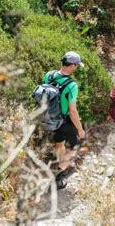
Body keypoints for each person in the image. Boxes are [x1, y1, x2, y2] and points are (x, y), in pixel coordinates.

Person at [43, 51, 86, 188]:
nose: (77, 68)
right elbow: (73, 111)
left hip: (49, 118)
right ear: (72, 65)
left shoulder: (48, 75)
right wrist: (80, 129)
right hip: (64, 121)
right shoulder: (72, 85)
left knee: (60, 143)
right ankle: (57, 176)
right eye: (76, 65)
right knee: (75, 147)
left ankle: (59, 163)